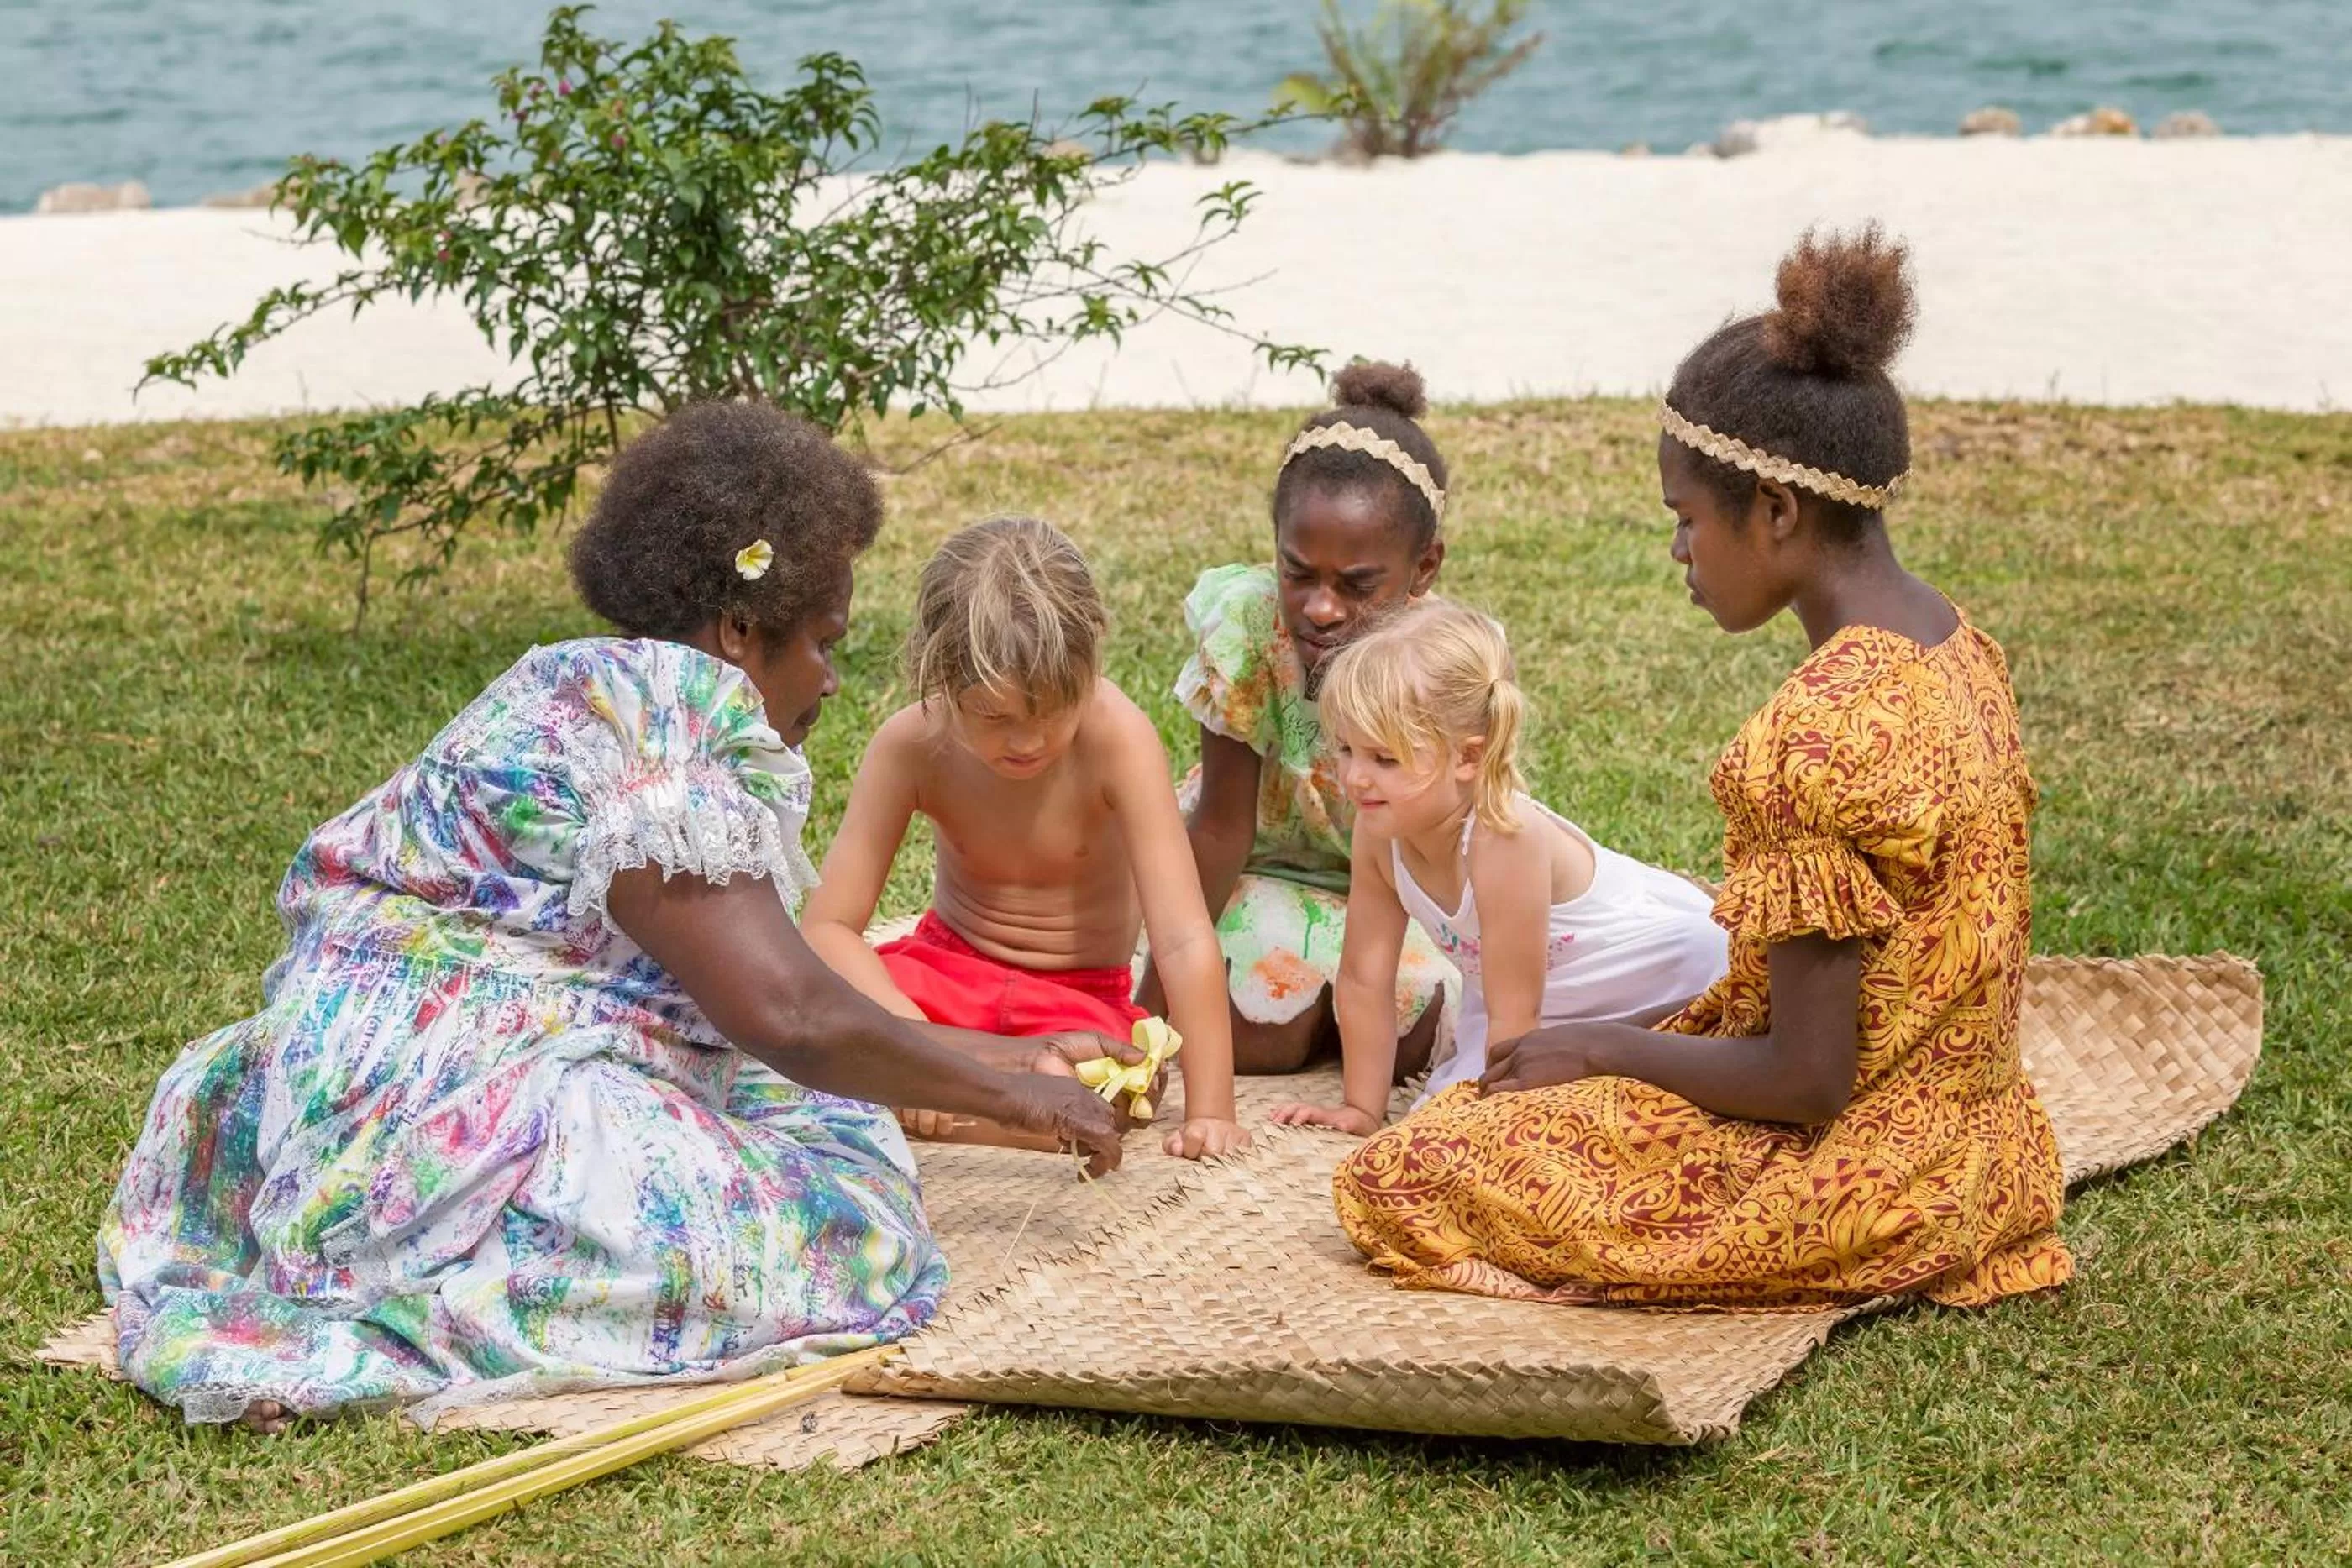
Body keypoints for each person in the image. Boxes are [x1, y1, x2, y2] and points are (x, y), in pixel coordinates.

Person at [97, 403, 1126, 1432]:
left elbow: (767, 1004)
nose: (829, 678)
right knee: (844, 1231)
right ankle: (445, 1280)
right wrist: (1015, 1097)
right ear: (738, 631)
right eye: (821, 641)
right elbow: (788, 1014)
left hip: (334, 1084)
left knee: (820, 1113)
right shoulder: (664, 728)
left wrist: (1012, 1053)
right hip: (444, 1113)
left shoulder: (583, 681)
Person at [1333, 228, 2074, 1308]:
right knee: (1516, 1101)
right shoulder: (1960, 648)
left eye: (1685, 520)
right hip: (1984, 1141)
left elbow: (1806, 1081)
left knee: (1408, 1171)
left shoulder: (1811, 739)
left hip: (1874, 1178)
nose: (1677, 551)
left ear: (1774, 511)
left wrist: (1597, 1048)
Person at [801, 517, 1247, 1161]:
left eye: (1051, 713)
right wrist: (913, 1036)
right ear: (939, 678)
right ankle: (976, 1098)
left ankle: (934, 1101)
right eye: (995, 717)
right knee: (822, 1019)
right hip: (942, 978)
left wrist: (1213, 1110)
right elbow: (827, 929)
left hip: (1074, 1001)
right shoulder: (911, 744)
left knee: (1115, 1089)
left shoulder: (1116, 738)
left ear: (1089, 670)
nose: (1028, 740)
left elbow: (1181, 936)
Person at [1268, 600, 1725, 1135]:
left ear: (1467, 758)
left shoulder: (1501, 836)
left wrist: (1492, 1131)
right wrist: (1363, 1109)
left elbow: (1517, 1012)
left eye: (1385, 759)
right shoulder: (1377, 830)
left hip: (1654, 975)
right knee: (1435, 1121)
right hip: (1544, 1007)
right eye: (1346, 750)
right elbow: (1365, 977)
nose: (1356, 779)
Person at [1144, 361, 1460, 1080]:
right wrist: (1149, 1016)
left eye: (1356, 585)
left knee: (1418, 1034)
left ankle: (1333, 1012)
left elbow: (1450, 840)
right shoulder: (1251, 630)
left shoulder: (1435, 662)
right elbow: (1223, 829)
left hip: (1386, 891)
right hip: (1259, 874)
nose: (1321, 608)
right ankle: (1312, 1019)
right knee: (1262, 1036)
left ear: (1424, 567)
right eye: (1298, 572)